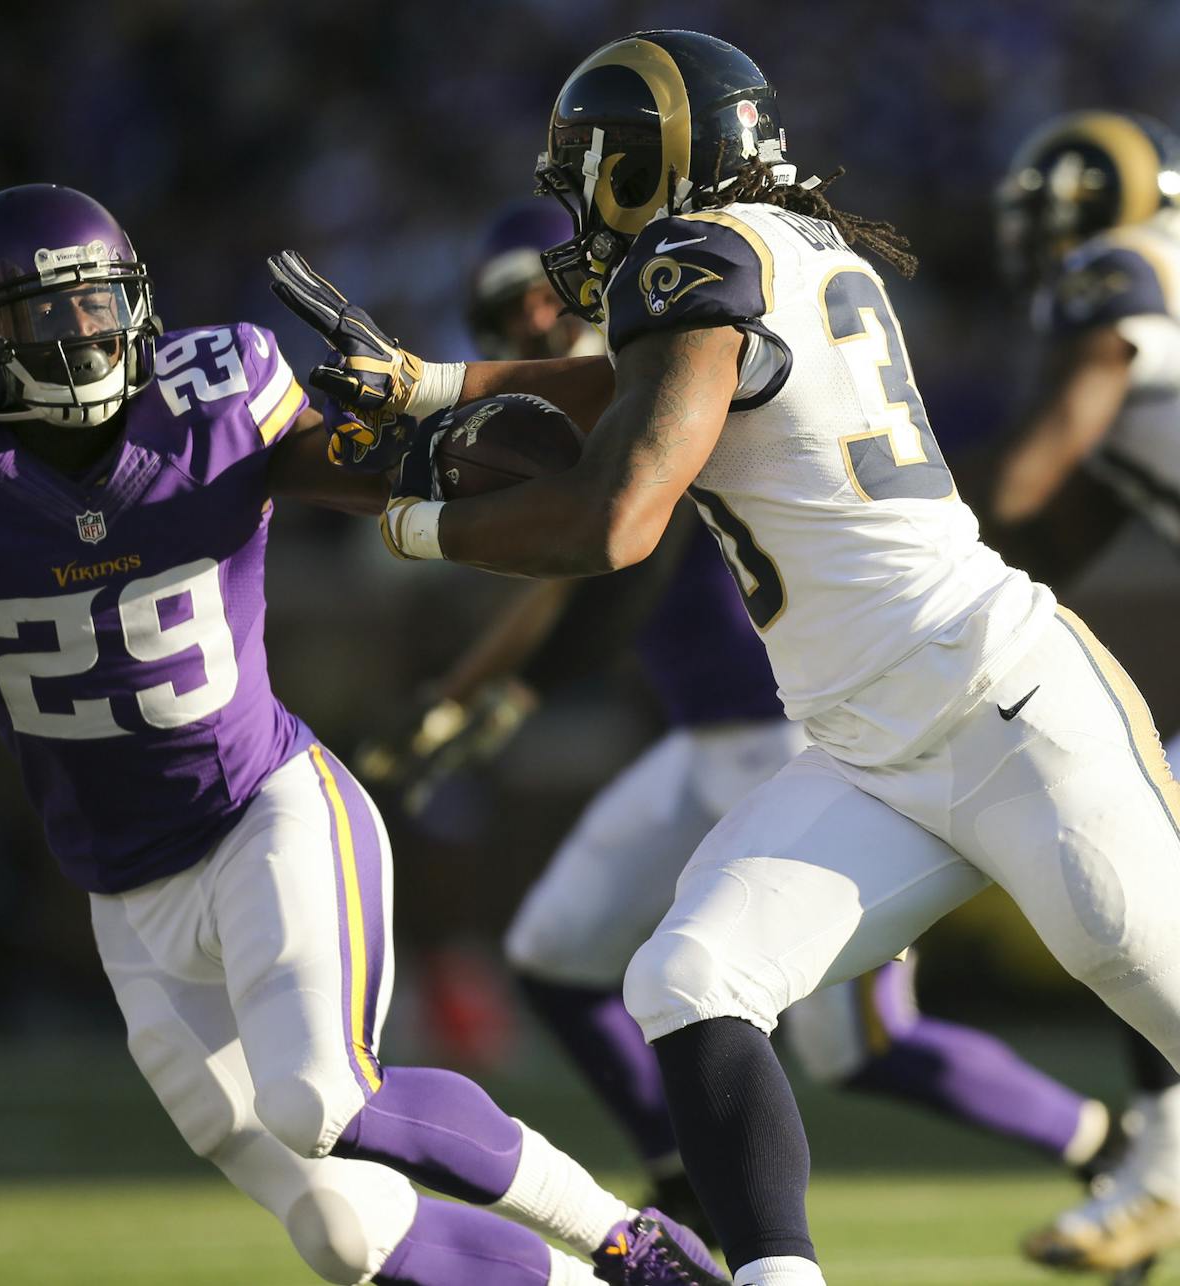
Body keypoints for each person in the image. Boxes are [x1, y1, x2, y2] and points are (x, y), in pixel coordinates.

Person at [268, 31, 1180, 1286]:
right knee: (690, 976)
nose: (578, 198)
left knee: (1162, 990)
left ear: (654, 163)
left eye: (591, 166)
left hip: (1005, 706)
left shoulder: (695, 260)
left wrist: (407, 515)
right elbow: (647, 386)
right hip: (869, 749)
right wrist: (433, 386)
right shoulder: (778, 247)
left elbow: (615, 517)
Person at [0, 183, 724, 1286]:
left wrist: (408, 424)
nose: (81, 336)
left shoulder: (215, 398)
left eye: (96, 306)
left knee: (322, 1094)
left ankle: (630, 1241)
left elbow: (384, 482)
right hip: (125, 893)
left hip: (264, 809)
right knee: (346, 1236)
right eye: (43, 314)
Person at [371, 207, 1121, 1233]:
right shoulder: (610, 362)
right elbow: (555, 580)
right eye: (509, 305)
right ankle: (686, 1176)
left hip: (811, 731)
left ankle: (1106, 1145)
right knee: (559, 949)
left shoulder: (679, 346)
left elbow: (617, 556)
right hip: (706, 739)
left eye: (543, 290)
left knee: (854, 1042)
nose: (536, 316)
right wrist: (462, 689)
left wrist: (499, 683)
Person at [984, 110, 1180, 1279]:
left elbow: (1029, 476)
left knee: (1139, 858)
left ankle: (1156, 1170)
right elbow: (1056, 531)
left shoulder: (1122, 275)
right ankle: (1154, 1167)